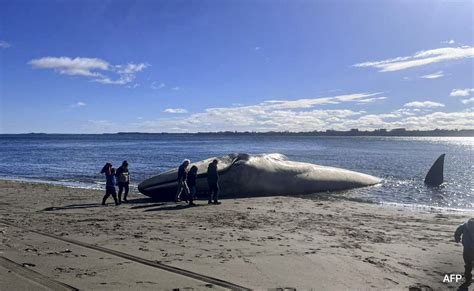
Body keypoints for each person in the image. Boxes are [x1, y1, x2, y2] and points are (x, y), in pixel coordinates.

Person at [455, 218, 474, 283]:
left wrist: (457, 238)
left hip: (467, 247)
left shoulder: (465, 225)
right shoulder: (464, 226)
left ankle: (468, 276)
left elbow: (458, 231)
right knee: (469, 263)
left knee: (468, 263)